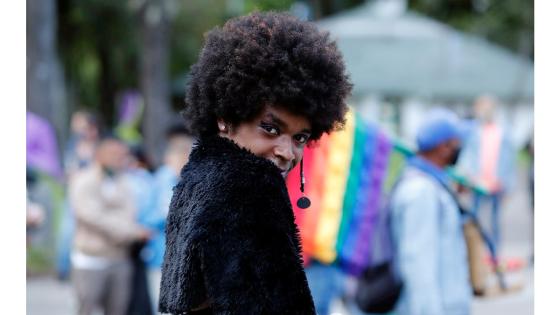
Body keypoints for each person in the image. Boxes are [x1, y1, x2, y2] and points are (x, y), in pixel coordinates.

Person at [158, 11, 351, 315]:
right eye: (271, 129)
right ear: (225, 116)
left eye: (300, 138)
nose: (287, 151)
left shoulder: (196, 177)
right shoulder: (252, 187)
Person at [389, 109, 471, 315]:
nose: (460, 149)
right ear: (444, 148)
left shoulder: (431, 183)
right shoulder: (421, 191)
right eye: (456, 143)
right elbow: (419, 264)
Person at [69, 136, 152, 315]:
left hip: (120, 258)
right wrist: (130, 231)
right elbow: (91, 216)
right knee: (86, 308)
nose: (119, 158)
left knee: (119, 309)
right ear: (99, 154)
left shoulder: (124, 181)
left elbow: (130, 213)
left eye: (122, 154)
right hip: (91, 258)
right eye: (114, 153)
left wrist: (121, 224)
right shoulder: (83, 180)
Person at [142, 125, 192, 314]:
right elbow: (145, 218)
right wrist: (168, 212)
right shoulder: (160, 180)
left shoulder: (191, 180)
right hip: (161, 258)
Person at [456, 95, 515, 252]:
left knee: (494, 221)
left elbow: (509, 160)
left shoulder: (503, 132)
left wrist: (507, 184)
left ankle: (494, 253)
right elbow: (467, 156)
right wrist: (467, 176)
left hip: (496, 183)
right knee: (473, 219)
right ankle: (475, 251)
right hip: (477, 182)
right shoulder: (474, 132)